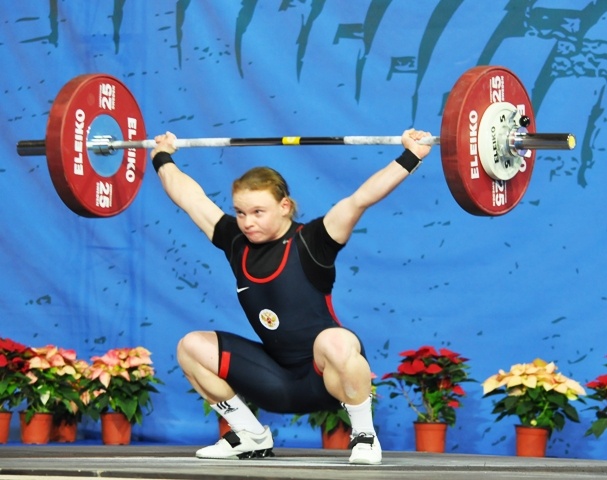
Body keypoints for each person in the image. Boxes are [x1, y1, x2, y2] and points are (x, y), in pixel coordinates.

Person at [150, 128, 433, 465]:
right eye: (240, 212)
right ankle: (249, 434)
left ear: (284, 206)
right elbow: (189, 198)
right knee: (191, 347)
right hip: (272, 380)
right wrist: (162, 156)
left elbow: (362, 198)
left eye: (258, 212)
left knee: (336, 341)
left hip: (326, 378)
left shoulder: (314, 240)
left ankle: (364, 435)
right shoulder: (234, 240)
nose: (247, 222)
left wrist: (412, 155)